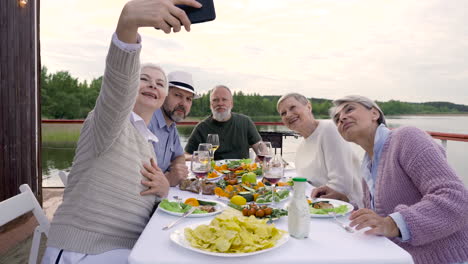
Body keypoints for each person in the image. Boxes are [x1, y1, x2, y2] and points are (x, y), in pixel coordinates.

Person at [41, 0, 202, 263]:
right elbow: (117, 84)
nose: (153, 85)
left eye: (160, 83)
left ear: (162, 98)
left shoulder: (146, 140)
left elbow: (143, 195)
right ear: (130, 87)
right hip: (85, 250)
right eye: (143, 79)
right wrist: (129, 22)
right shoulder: (110, 122)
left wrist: (163, 188)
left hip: (129, 246)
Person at [313, 95, 468, 264]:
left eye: (349, 109)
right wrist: (344, 201)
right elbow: (379, 217)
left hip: (445, 258)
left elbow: (456, 198)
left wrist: (392, 224)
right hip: (401, 257)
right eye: (336, 119)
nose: (341, 118)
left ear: (374, 114)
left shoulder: (407, 137)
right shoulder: (369, 163)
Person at [277, 93, 363, 207]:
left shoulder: (329, 129)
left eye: (292, 108)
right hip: (318, 205)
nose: (288, 115)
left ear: (308, 107)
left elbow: (341, 185)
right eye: (283, 113)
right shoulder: (301, 148)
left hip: (346, 208)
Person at [184, 85, 263, 160]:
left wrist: (263, 155)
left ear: (231, 104)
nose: (220, 103)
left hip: (241, 172)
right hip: (213, 173)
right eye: (215, 100)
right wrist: (196, 157)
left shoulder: (245, 122)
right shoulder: (201, 128)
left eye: (224, 99)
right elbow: (185, 155)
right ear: (210, 105)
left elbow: (260, 147)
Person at [148, 71, 197, 186]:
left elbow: (179, 156)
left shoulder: (171, 126)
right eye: (177, 95)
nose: (183, 103)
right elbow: (136, 175)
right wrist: (168, 179)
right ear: (163, 95)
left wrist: (177, 171)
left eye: (188, 99)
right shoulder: (147, 121)